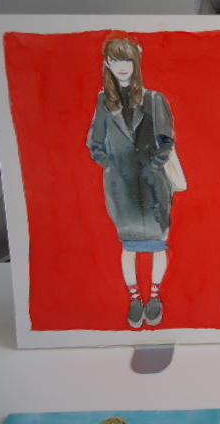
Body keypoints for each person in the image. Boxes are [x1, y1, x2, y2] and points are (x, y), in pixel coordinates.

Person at [88, 32, 185, 328]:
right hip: (122, 187)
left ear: (136, 62)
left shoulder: (155, 100)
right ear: (107, 63)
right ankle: (135, 298)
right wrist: (112, 165)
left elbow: (167, 139)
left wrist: (153, 166)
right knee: (129, 246)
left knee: (157, 244)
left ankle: (154, 296)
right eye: (116, 60)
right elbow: (94, 142)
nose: (122, 67)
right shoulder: (104, 101)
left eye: (127, 60)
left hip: (154, 184)